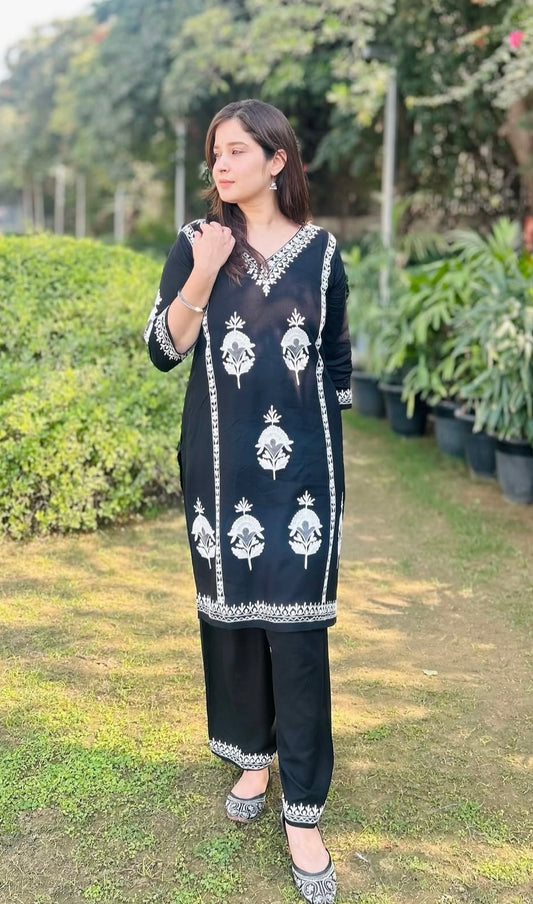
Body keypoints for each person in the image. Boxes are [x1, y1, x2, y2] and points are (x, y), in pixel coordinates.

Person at [144, 99, 352, 904]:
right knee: (232, 621)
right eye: (215, 153)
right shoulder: (197, 242)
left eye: (236, 150)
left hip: (302, 476)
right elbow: (164, 350)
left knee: (296, 635)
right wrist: (203, 268)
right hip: (220, 467)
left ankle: (303, 813)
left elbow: (335, 362)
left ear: (276, 160)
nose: (220, 164)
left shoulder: (322, 254)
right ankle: (252, 762)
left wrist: (322, 466)